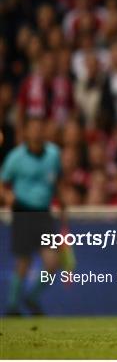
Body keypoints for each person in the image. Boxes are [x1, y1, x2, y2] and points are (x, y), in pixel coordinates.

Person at [0, 116, 63, 315]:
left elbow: (55, 181)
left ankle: (32, 296)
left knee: (53, 262)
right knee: (24, 262)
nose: (36, 132)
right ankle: (12, 306)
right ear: (26, 132)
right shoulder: (16, 157)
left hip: (44, 213)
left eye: (39, 127)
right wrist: (7, 196)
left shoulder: (53, 154)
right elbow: (2, 183)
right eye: (32, 128)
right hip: (23, 211)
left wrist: (61, 202)